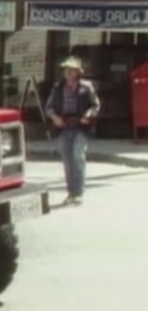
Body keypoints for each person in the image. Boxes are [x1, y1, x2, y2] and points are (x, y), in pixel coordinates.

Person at [45, 55, 101, 206]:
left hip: (81, 127)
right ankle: (71, 192)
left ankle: (79, 192)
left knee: (78, 157)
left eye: (71, 70)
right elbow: (48, 107)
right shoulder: (58, 88)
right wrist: (55, 117)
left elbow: (95, 105)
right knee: (67, 161)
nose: (68, 73)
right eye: (66, 70)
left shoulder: (86, 87)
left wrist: (88, 115)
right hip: (64, 127)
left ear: (78, 72)